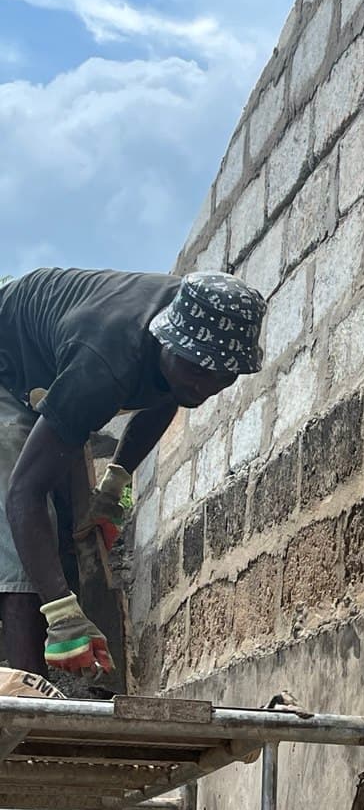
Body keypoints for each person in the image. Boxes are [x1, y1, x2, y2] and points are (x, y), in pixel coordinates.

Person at [0, 268, 266, 677]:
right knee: (25, 543)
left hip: (55, 362)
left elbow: (165, 394)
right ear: (165, 338)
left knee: (73, 526)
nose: (205, 386)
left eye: (222, 374)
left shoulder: (195, 324)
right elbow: (22, 494)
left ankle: (76, 665)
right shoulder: (104, 364)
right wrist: (60, 611)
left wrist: (113, 488)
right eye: (196, 368)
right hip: (7, 362)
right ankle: (27, 693)